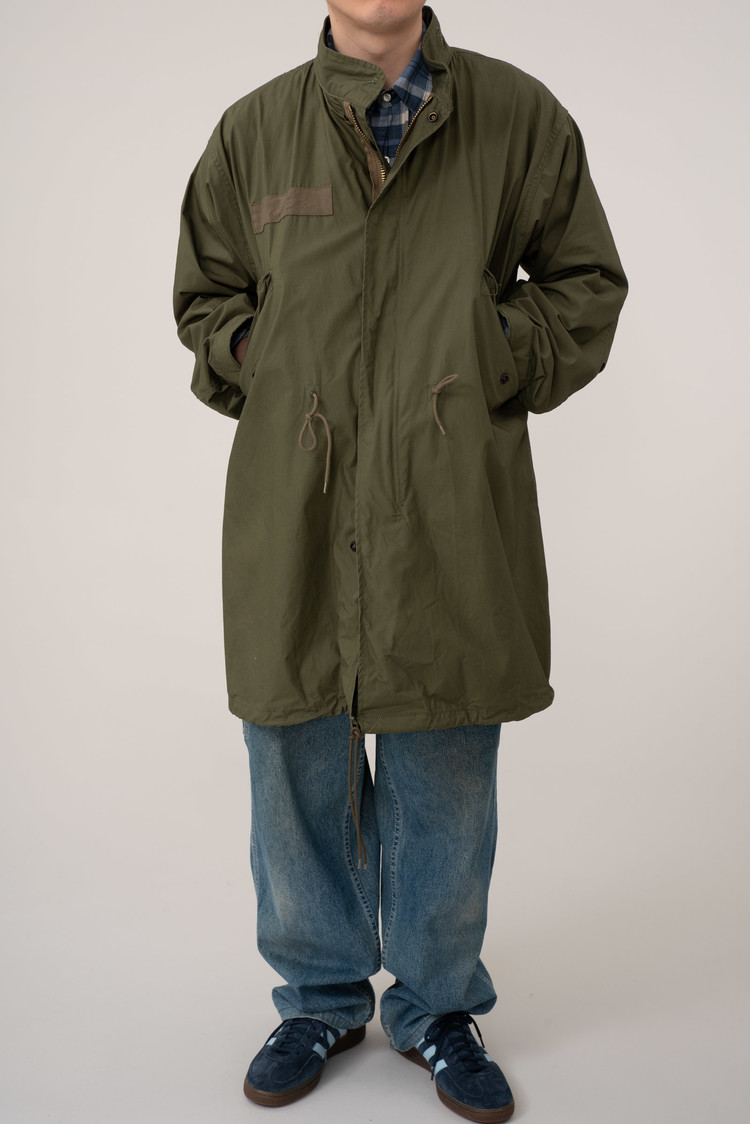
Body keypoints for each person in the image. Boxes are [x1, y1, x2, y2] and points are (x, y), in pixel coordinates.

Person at [173, 2, 627, 1119]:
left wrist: (493, 348)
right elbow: (206, 298)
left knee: (445, 754)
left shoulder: (516, 118)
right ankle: (319, 996)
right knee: (295, 749)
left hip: (447, 501)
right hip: (298, 499)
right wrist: (260, 352)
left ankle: (436, 1003)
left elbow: (585, 282)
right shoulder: (253, 133)